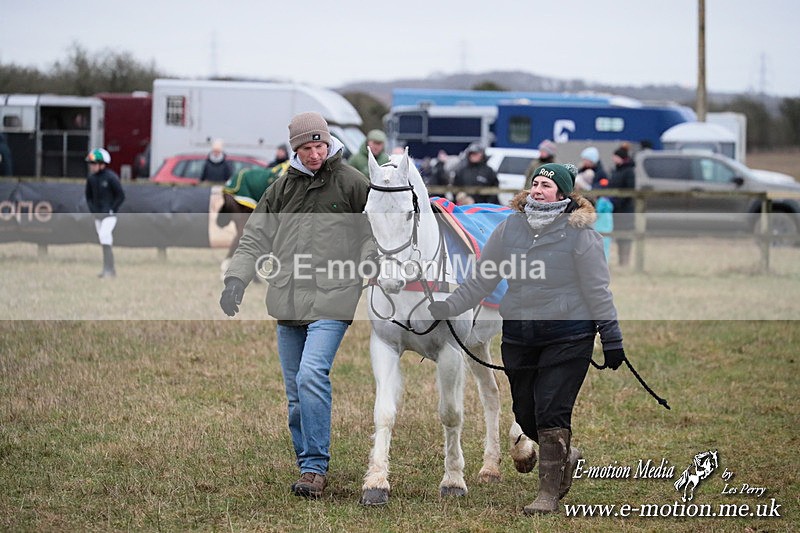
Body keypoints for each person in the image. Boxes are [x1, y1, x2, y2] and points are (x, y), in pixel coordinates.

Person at [427, 162, 626, 515]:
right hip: (520, 335)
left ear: (563, 195)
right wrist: (450, 305)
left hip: (568, 334)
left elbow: (598, 290)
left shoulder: (580, 235)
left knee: (551, 409)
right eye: (535, 183)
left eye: (546, 186)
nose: (537, 189)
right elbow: (481, 279)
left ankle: (548, 494)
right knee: (525, 412)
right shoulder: (510, 228)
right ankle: (564, 453)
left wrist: (611, 337)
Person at [219, 112, 375, 499]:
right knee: (294, 394)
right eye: (307, 147)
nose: (315, 153)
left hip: (334, 296)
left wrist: (371, 261)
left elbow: (374, 230)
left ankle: (315, 467)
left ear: (329, 143)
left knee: (311, 375)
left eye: (320, 145)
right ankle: (307, 462)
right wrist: (236, 278)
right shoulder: (281, 187)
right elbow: (255, 235)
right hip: (287, 298)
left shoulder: (354, 183)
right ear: (295, 149)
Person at [84, 148, 125, 278]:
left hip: (109, 215)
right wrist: (93, 210)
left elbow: (120, 195)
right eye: (91, 164)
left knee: (104, 235)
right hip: (98, 215)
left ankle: (109, 268)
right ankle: (108, 269)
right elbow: (88, 196)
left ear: (102, 164)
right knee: (104, 239)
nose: (92, 166)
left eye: (94, 164)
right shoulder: (91, 179)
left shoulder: (111, 177)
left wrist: (112, 209)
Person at [608, 144, 636, 266]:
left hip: (625, 209)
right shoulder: (616, 171)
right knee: (619, 235)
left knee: (626, 236)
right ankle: (621, 261)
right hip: (616, 208)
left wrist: (617, 201)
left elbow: (629, 191)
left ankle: (625, 261)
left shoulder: (629, 172)